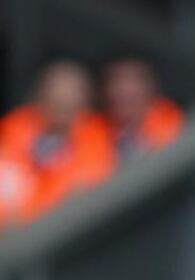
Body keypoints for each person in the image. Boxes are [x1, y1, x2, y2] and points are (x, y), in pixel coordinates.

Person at [0, 60, 114, 226]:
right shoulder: (11, 133)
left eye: (72, 96)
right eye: (56, 97)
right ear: (40, 97)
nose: (64, 101)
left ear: (86, 102)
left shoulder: (101, 141)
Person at [101, 56, 184, 156]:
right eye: (115, 80)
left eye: (133, 80)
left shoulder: (178, 128)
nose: (123, 90)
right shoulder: (100, 135)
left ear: (151, 86)